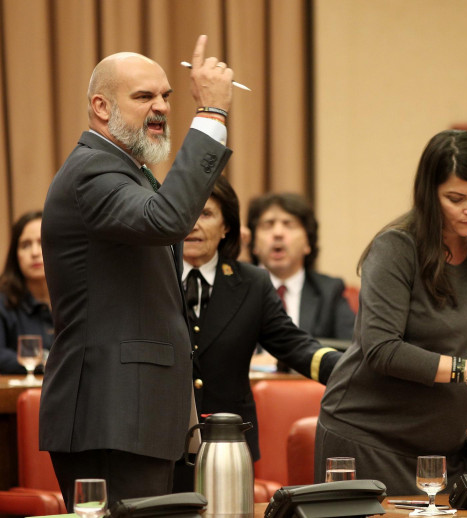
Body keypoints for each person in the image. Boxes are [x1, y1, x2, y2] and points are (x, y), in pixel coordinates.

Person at [39, 35, 234, 508]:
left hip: (137, 416)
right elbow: (167, 219)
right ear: (101, 107)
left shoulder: (127, 171)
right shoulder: (94, 171)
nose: (162, 106)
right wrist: (210, 116)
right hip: (110, 416)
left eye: (166, 95)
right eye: (144, 96)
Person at [314, 129, 467, 495]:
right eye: (456, 198)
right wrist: (466, 368)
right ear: (429, 194)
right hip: (368, 441)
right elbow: (382, 349)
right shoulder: (396, 246)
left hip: (441, 450)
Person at [173, 175, 342, 491]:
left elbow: (294, 345)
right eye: (185, 211)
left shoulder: (252, 283)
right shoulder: (152, 280)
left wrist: (353, 372)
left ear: (227, 227)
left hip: (228, 445)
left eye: (206, 214)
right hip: (159, 445)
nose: (193, 224)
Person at [247, 192, 355, 340]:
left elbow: (351, 350)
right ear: (254, 244)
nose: (278, 233)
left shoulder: (330, 291)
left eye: (289, 224)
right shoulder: (236, 288)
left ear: (307, 243)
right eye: (268, 225)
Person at [0, 210, 53, 374]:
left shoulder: (78, 300)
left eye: (42, 242)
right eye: (26, 245)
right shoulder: (3, 302)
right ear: (16, 256)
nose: (35, 253)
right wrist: (43, 363)